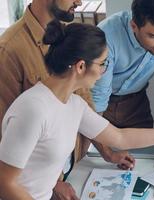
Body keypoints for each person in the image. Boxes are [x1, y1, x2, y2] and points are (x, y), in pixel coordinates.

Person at [0, 20, 154, 200]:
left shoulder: (74, 104)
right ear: (81, 66)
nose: (105, 70)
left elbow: (119, 138)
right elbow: (5, 183)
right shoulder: (33, 108)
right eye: (102, 63)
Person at [0, 0, 134, 199]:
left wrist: (107, 152)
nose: (79, 2)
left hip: (73, 168)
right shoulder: (10, 49)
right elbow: (8, 138)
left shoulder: (68, 37)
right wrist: (56, 183)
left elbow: (82, 108)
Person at [91, 0, 154, 159]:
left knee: (144, 162)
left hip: (136, 103)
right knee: (93, 161)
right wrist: (107, 153)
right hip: (98, 107)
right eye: (153, 36)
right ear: (133, 26)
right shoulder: (106, 35)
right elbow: (97, 99)